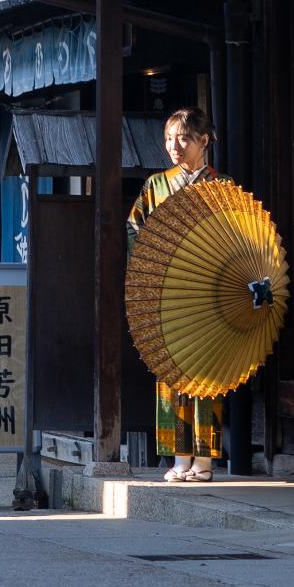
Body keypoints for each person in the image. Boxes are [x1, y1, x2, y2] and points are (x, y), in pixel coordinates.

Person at [127, 107, 225, 483]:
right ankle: (179, 456)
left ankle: (204, 460)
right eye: (169, 139)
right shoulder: (156, 185)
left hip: (209, 293)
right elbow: (136, 229)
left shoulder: (221, 186)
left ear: (204, 141)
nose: (174, 147)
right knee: (170, 372)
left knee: (207, 374)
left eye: (183, 138)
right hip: (168, 291)